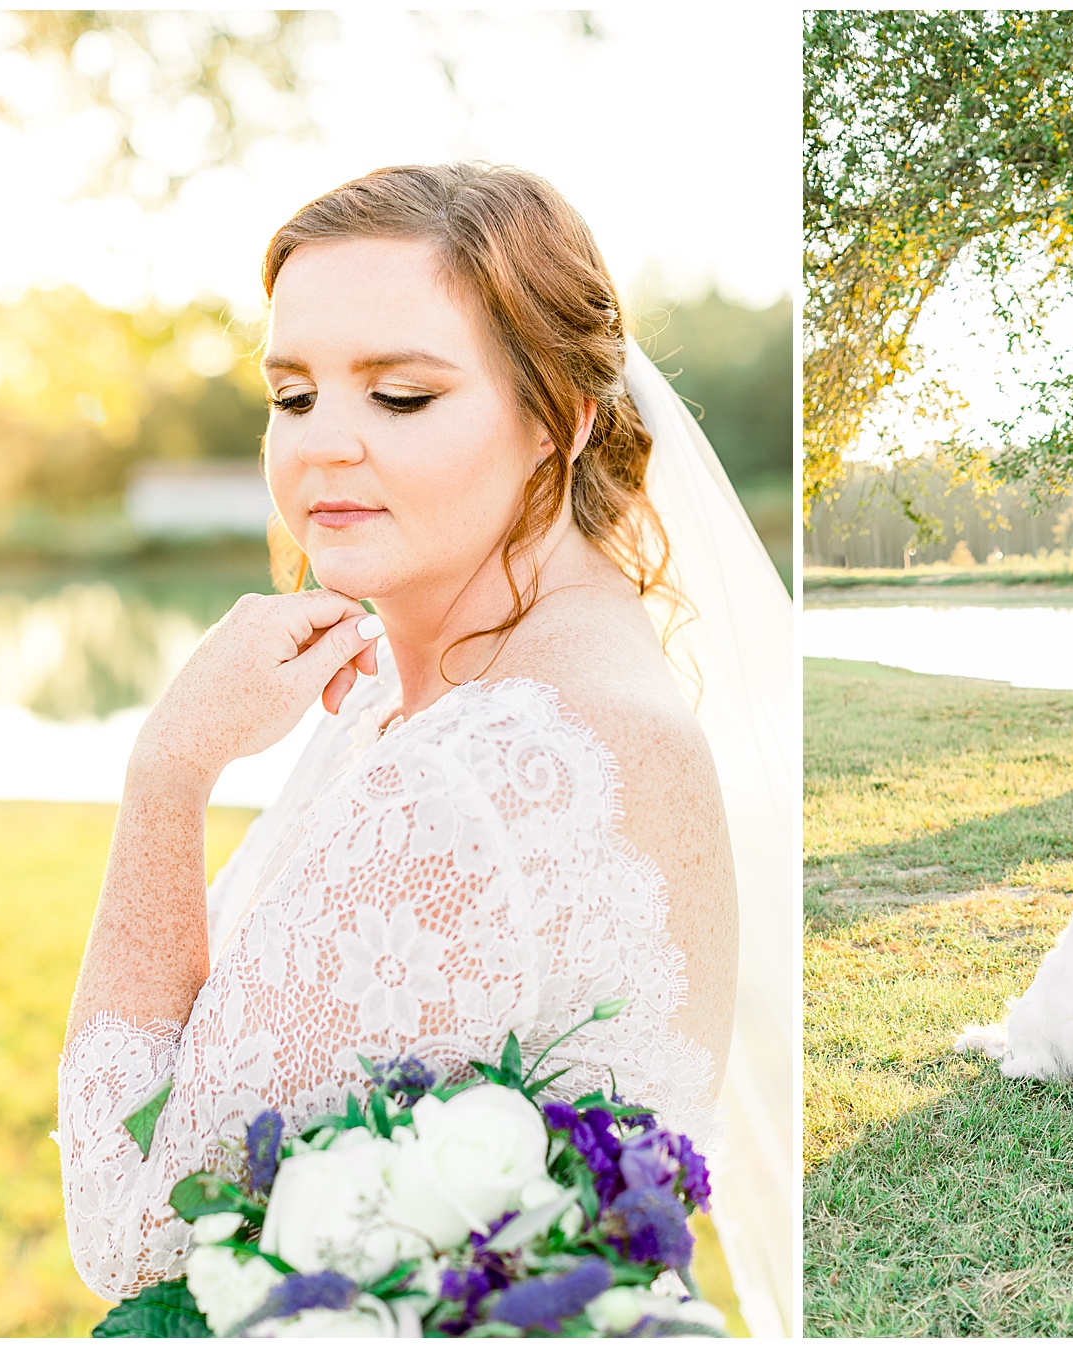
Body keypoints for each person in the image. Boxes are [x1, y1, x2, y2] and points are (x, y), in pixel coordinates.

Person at [55, 164, 793, 1315]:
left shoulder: (482, 767)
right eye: (292, 396)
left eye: (400, 397)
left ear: (563, 418)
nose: (323, 446)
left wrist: (169, 770)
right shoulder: (460, 695)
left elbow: (132, 1233)